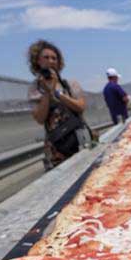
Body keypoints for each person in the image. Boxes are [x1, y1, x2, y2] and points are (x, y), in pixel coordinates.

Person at [27, 39, 88, 169]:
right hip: (57, 146)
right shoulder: (34, 89)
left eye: (54, 58)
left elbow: (81, 107)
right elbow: (39, 118)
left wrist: (57, 93)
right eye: (46, 57)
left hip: (79, 138)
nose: (51, 61)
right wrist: (47, 93)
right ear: (38, 61)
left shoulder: (70, 84)